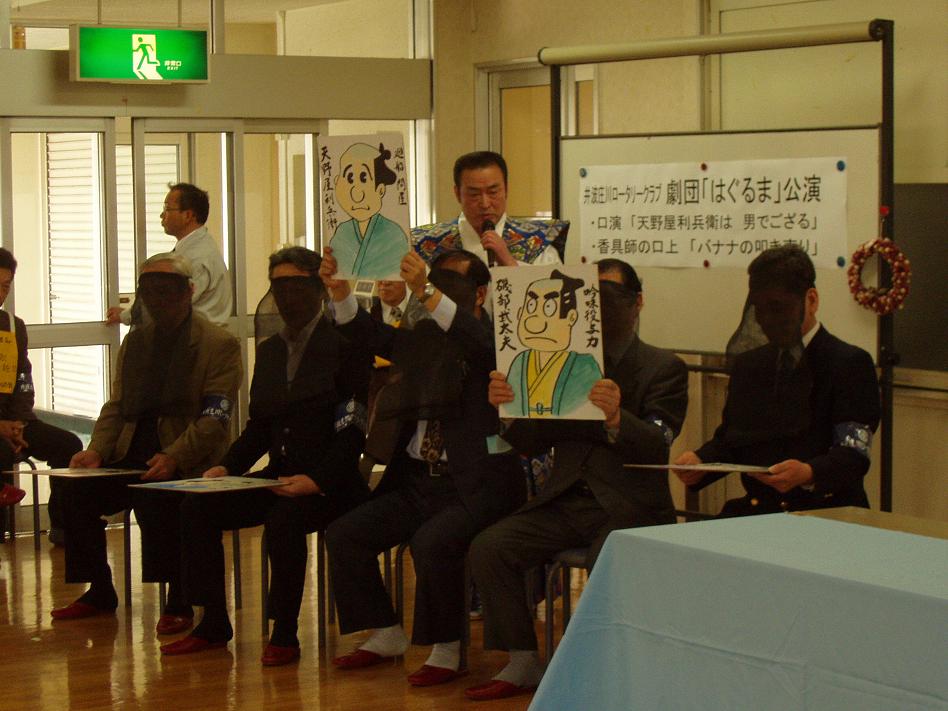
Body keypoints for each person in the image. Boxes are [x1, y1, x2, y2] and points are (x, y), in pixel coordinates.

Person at [464, 258, 689, 701]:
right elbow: (535, 440)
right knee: (490, 546)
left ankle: (603, 666)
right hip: (567, 498)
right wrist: (507, 412)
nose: (601, 307)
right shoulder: (561, 361)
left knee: (608, 556)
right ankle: (523, 659)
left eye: (612, 297)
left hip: (629, 504)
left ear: (638, 303)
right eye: (593, 296)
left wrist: (616, 418)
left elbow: (658, 443)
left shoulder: (663, 367)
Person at [322, 247, 525, 688]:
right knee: (344, 534)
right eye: (436, 282)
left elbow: (477, 341)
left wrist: (425, 291)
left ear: (480, 293)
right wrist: (341, 295)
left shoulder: (498, 340)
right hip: (416, 480)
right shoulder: (425, 337)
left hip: (476, 484)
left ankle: (447, 650)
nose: (437, 293)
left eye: (450, 285)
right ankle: (385, 631)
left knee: (431, 542)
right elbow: (375, 338)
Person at [160, 246, 371, 665]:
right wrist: (227, 467)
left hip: (332, 484)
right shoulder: (272, 349)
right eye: (278, 286)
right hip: (279, 475)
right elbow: (260, 426)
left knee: (284, 520)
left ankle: (285, 633)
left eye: (296, 285)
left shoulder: (345, 345)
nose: (287, 295)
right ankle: (212, 622)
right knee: (196, 507)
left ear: (317, 287)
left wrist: (317, 481)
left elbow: (352, 429)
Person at [51, 253, 241, 625]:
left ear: (188, 291)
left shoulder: (218, 343)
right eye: (149, 290)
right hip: (130, 450)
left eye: (166, 289)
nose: (157, 298)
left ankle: (179, 599)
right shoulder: (136, 342)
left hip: (185, 457)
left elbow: (214, 420)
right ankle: (100, 588)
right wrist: (95, 450)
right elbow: (117, 405)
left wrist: (174, 456)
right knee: (74, 490)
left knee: (156, 496)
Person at [673, 244, 881, 516]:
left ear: (811, 300)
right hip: (759, 513)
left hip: (828, 513)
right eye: (759, 310)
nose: (768, 320)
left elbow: (854, 454)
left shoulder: (848, 363)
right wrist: (700, 462)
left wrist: (808, 472)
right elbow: (733, 439)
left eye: (779, 308)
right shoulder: (750, 364)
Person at [0, 248, 82, 512]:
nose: (0, 293)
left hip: (14, 419)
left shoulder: (13, 326)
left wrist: (18, 421)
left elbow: (23, 377)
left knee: (69, 445)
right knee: (2, 451)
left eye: (5, 286)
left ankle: (62, 522)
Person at [107, 183, 232, 327]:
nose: (162, 215)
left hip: (198, 338)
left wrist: (126, 316)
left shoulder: (197, 256)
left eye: (167, 209)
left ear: (188, 215)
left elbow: (169, 305)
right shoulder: (192, 249)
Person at [412, 151, 565, 268]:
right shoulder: (426, 246)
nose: (485, 204)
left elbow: (550, 295)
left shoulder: (538, 243)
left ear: (506, 190)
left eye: (493, 192)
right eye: (474, 194)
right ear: (457, 193)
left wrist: (509, 262)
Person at [505, 269, 603, 418]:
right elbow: (510, 409)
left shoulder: (585, 366)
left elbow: (585, 409)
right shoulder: (519, 362)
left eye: (549, 308)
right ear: (520, 313)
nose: (534, 322)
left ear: (571, 317)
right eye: (530, 306)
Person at [328, 142, 410, 280]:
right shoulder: (341, 233)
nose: (357, 193)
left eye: (364, 179)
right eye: (350, 178)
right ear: (337, 182)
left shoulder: (394, 235)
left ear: (381, 189)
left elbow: (398, 278)